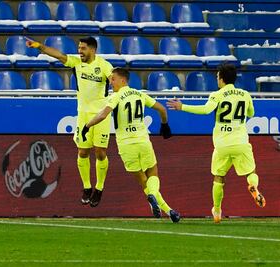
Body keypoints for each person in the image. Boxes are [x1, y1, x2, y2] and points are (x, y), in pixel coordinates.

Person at [167, 63, 266, 223]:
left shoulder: (217, 95)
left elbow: (206, 110)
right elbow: (251, 113)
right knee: (250, 172)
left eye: (217, 76)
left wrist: (182, 106)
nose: (217, 79)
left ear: (222, 78)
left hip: (222, 144)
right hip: (241, 141)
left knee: (219, 177)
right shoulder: (244, 94)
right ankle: (253, 187)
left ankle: (217, 211)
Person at [82, 68, 180, 222]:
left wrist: (87, 126)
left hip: (126, 144)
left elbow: (103, 114)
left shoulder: (115, 96)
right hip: (143, 140)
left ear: (123, 80)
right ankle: (168, 210)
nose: (110, 82)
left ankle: (165, 208)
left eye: (113, 79)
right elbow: (161, 109)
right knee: (153, 173)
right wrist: (164, 125)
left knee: (143, 181)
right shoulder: (139, 94)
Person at [26, 37, 113, 207]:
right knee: (83, 152)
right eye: (79, 48)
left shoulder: (104, 65)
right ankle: (87, 187)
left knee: (100, 152)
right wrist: (40, 46)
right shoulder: (75, 62)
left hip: (102, 115)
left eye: (83, 48)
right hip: (83, 115)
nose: (80, 51)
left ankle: (99, 188)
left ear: (93, 50)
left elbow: (114, 79)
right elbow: (59, 55)